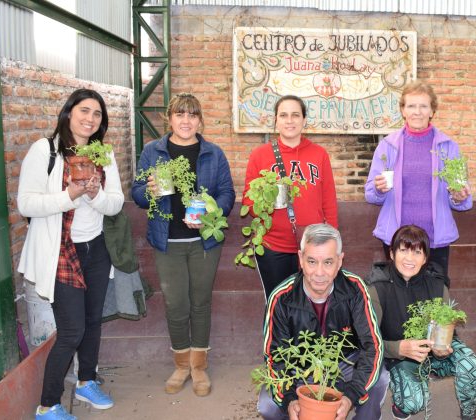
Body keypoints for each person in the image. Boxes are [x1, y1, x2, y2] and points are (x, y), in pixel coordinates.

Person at [18, 88, 124, 420]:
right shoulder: (45, 150)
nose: (90, 119)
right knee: (71, 330)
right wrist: (69, 194)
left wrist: (93, 194)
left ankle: (86, 381)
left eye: (97, 114)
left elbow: (115, 204)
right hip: (61, 253)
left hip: (95, 249)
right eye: (84, 111)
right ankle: (48, 404)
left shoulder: (104, 154)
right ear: (69, 113)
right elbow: (26, 204)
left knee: (93, 323)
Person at [132, 93, 235, 396]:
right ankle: (181, 364)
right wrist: (149, 190)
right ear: (170, 118)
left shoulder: (213, 154)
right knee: (176, 305)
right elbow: (137, 193)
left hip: (204, 242)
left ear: (200, 120)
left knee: (200, 303)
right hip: (168, 241)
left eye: (192, 115)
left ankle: (199, 367)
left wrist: (209, 211)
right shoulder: (153, 151)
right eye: (180, 114)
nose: (186, 120)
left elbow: (228, 194)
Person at [257, 224, 387, 420]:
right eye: (311, 261)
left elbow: (373, 347)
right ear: (300, 259)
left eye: (328, 262)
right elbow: (274, 356)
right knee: (268, 405)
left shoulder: (355, 289)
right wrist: (290, 399)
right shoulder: (281, 297)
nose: (319, 273)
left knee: (380, 380)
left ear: (339, 261)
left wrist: (351, 396)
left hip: (344, 363)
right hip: (299, 368)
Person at [368, 225, 476, 420]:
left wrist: (442, 346)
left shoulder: (436, 282)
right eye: (403, 250)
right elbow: (368, 341)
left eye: (417, 252)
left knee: (469, 364)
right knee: (412, 403)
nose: (409, 258)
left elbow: (446, 328)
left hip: (434, 353)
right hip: (399, 356)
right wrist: (399, 348)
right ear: (392, 254)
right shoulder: (377, 287)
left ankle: (469, 415)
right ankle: (402, 398)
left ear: (425, 258)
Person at [365, 81, 471, 284]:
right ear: (403, 110)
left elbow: (462, 199)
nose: (417, 112)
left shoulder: (448, 147)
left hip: (434, 240)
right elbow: (370, 194)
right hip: (398, 241)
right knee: (397, 299)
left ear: (432, 110)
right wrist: (379, 189)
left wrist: (458, 196)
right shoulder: (387, 146)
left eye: (423, 106)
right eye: (411, 106)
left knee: (434, 301)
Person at [243, 95, 338, 299]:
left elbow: (328, 201)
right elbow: (248, 202)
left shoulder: (319, 154)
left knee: (312, 304)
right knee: (277, 305)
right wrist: (266, 202)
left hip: (312, 247)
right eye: (283, 115)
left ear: (304, 120)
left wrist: (332, 241)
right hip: (272, 247)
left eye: (295, 115)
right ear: (276, 120)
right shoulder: (259, 155)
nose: (289, 120)